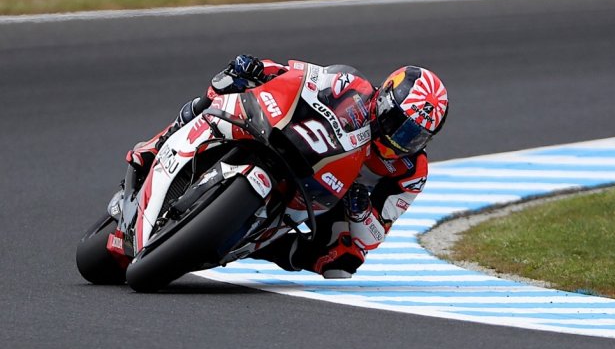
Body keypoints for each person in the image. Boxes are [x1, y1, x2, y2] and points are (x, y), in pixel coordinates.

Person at [127, 55, 449, 279]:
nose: (398, 139)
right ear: (383, 100)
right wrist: (256, 68)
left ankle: (252, 245)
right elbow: (298, 75)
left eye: (414, 136)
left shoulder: (410, 171)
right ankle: (156, 145)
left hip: (331, 199)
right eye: (398, 125)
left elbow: (373, 236)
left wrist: (362, 210)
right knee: (216, 93)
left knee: (344, 262)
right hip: (300, 145)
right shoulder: (353, 88)